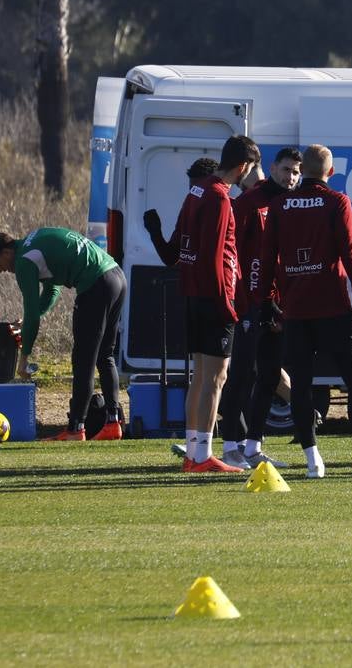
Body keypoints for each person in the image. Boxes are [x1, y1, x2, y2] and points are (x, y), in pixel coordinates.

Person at [258, 144, 352, 479]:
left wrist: (265, 301)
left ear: (303, 169)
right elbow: (351, 253)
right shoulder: (337, 201)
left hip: (296, 311)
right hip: (333, 308)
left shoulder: (279, 204)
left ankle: (314, 462)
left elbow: (267, 257)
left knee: (300, 384)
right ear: (330, 172)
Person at [165, 135, 260, 472]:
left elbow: (179, 244)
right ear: (244, 167)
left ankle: (193, 454)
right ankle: (203, 456)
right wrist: (227, 305)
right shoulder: (220, 198)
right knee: (216, 377)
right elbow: (213, 257)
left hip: (193, 295)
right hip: (213, 298)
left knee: (201, 376)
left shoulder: (197, 189)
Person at [0, 227, 127, 442]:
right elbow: (52, 290)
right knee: (105, 355)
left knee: (83, 360)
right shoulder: (33, 242)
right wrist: (33, 316)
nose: (1, 271)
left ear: (5, 253)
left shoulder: (23, 261)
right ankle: (113, 423)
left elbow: (31, 312)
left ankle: (76, 429)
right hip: (117, 277)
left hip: (96, 285)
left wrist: (24, 357)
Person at [218, 147, 301, 470]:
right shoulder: (251, 203)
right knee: (240, 373)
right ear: (272, 168)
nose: (290, 177)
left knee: (268, 376)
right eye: (285, 170)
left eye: (296, 171)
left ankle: (252, 446)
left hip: (279, 306)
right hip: (250, 303)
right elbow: (232, 253)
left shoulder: (293, 204)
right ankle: (230, 445)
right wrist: (242, 298)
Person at [143, 157, 219, 265]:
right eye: (192, 190)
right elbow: (170, 258)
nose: (195, 195)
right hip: (192, 280)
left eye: (199, 191)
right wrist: (155, 234)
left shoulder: (228, 208)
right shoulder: (188, 210)